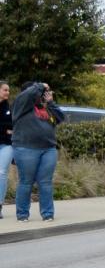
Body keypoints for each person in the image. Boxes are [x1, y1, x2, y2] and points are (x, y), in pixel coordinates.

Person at [10, 81, 63, 222]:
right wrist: (41, 85)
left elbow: (60, 118)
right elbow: (29, 94)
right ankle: (22, 214)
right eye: (39, 93)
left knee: (45, 182)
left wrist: (50, 102)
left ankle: (48, 214)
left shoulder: (45, 107)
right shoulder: (21, 105)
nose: (42, 94)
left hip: (48, 149)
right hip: (26, 148)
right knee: (26, 182)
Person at [0, 81, 12, 219]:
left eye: (8, 90)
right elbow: (6, 127)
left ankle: (0, 205)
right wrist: (5, 129)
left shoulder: (8, 107)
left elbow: (12, 126)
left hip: (6, 145)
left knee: (2, 172)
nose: (7, 92)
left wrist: (8, 130)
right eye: (5, 90)